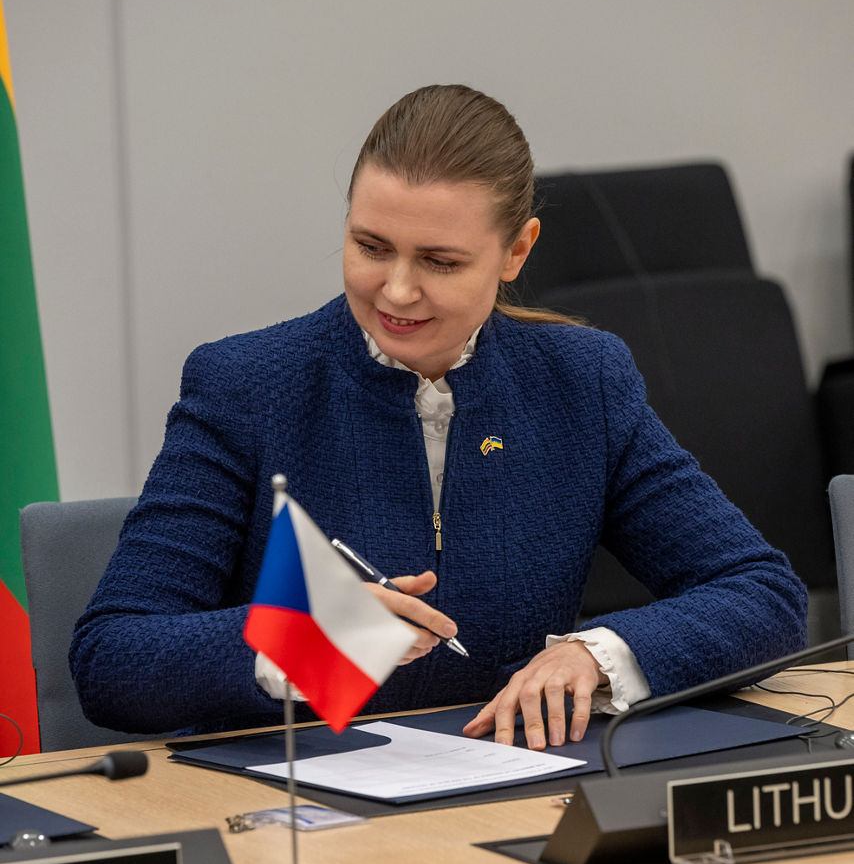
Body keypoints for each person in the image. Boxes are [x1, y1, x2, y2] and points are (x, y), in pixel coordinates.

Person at [70, 84, 807, 747]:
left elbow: (761, 594)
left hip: (511, 793)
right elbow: (112, 662)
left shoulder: (583, 381)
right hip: (292, 814)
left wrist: (598, 653)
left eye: (440, 262)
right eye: (370, 247)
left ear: (516, 251)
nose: (395, 291)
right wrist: (304, 642)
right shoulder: (246, 385)